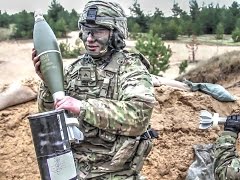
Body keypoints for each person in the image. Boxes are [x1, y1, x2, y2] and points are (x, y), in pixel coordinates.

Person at [32, 1, 157, 179]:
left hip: (117, 174)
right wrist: (48, 84)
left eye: (98, 31)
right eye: (86, 30)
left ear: (116, 33)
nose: (90, 38)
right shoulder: (72, 69)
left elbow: (138, 116)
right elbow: (50, 121)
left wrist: (83, 107)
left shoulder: (131, 68)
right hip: (73, 171)